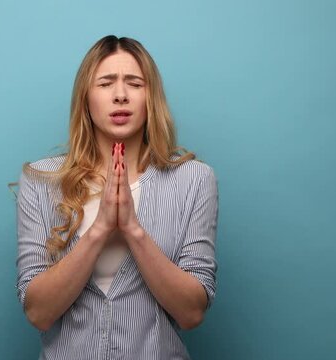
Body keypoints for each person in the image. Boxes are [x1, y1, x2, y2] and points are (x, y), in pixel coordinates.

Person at [15, 35, 219, 359]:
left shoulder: (194, 180)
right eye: (106, 83)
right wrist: (99, 229)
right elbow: (38, 312)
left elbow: (192, 313)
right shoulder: (41, 181)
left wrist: (133, 230)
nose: (121, 96)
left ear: (151, 97)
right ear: (85, 98)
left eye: (135, 84)